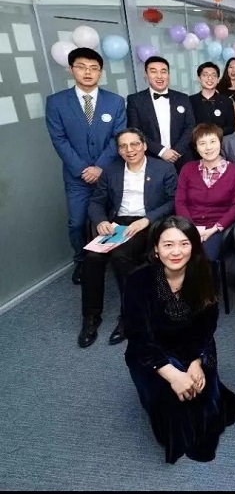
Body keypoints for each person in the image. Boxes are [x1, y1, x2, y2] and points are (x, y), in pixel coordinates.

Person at [122, 215, 235, 464]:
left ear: (194, 247)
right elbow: (138, 337)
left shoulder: (206, 272)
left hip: (195, 346)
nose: (176, 252)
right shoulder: (137, 281)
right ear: (156, 249)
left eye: (184, 244)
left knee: (204, 397)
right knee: (173, 406)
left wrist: (197, 360)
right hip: (150, 354)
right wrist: (173, 375)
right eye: (168, 245)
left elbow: (208, 325)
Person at [82, 128, 177, 348]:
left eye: (134, 144)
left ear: (144, 145)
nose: (129, 150)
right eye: (123, 146)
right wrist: (100, 221)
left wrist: (147, 219)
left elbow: (173, 201)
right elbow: (96, 202)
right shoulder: (111, 170)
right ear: (118, 150)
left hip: (145, 224)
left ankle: (130, 315)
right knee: (92, 258)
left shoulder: (163, 168)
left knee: (121, 256)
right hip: (116, 224)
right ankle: (91, 316)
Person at [46, 47, 127, 285]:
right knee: (77, 222)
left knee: (116, 215)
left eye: (94, 68)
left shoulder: (115, 101)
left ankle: (114, 256)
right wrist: (83, 169)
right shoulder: (56, 102)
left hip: (109, 173)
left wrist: (100, 167)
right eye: (81, 67)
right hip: (77, 177)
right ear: (71, 70)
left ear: (100, 72)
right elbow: (59, 139)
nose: (88, 72)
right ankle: (81, 261)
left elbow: (118, 137)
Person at [175, 124, 235, 260]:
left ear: (220, 143)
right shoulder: (187, 169)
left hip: (217, 229)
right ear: (196, 147)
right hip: (188, 226)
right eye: (202, 143)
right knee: (175, 254)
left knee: (204, 257)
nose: (208, 148)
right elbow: (180, 202)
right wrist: (191, 228)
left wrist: (214, 229)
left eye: (213, 141)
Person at [127, 56, 195, 172]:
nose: (159, 76)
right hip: (151, 159)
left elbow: (190, 126)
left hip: (182, 158)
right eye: (153, 71)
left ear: (168, 75)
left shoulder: (182, 98)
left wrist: (177, 151)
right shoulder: (135, 100)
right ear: (146, 75)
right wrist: (161, 151)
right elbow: (135, 131)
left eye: (163, 71)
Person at [189, 62, 235, 137]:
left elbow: (232, 127)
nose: (210, 78)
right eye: (205, 75)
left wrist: (215, 134)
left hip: (221, 142)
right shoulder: (190, 101)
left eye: (213, 75)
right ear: (199, 78)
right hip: (197, 142)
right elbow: (187, 127)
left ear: (218, 80)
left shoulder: (227, 101)